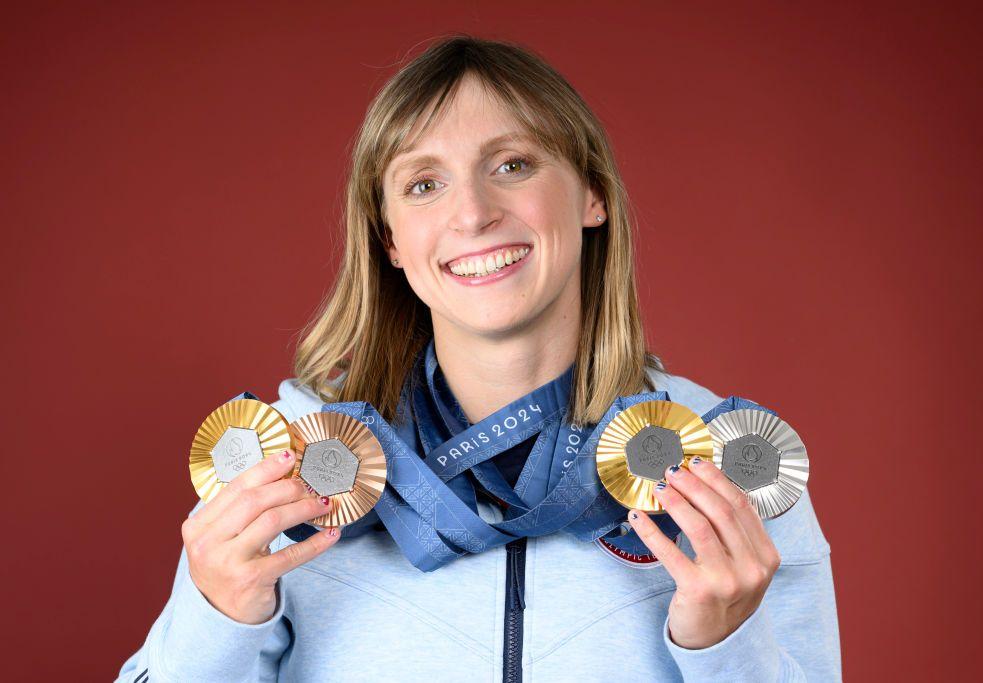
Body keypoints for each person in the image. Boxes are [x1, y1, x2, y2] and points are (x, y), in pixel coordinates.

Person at [117, 35, 840, 682]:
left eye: (513, 164)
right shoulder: (287, 464)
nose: (472, 213)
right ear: (391, 241)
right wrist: (214, 617)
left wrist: (728, 650)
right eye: (424, 184)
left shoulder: (725, 461)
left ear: (592, 194)